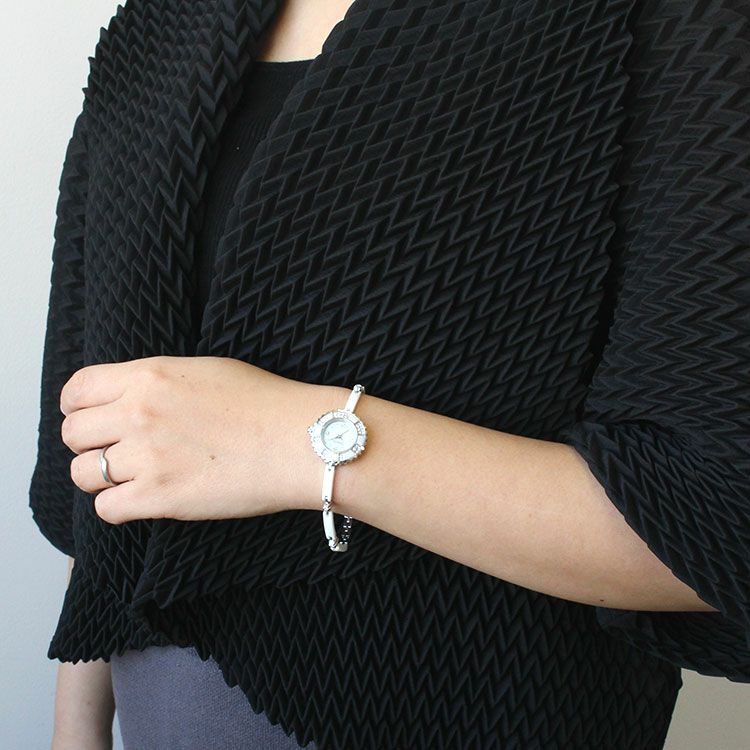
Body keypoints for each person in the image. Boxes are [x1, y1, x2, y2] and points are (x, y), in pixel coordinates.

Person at [33, 1, 749, 749]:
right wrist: (74, 732)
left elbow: (717, 519)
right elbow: (104, 461)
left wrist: (300, 442)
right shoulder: (160, 27)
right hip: (158, 714)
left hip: (482, 707)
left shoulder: (659, 20)